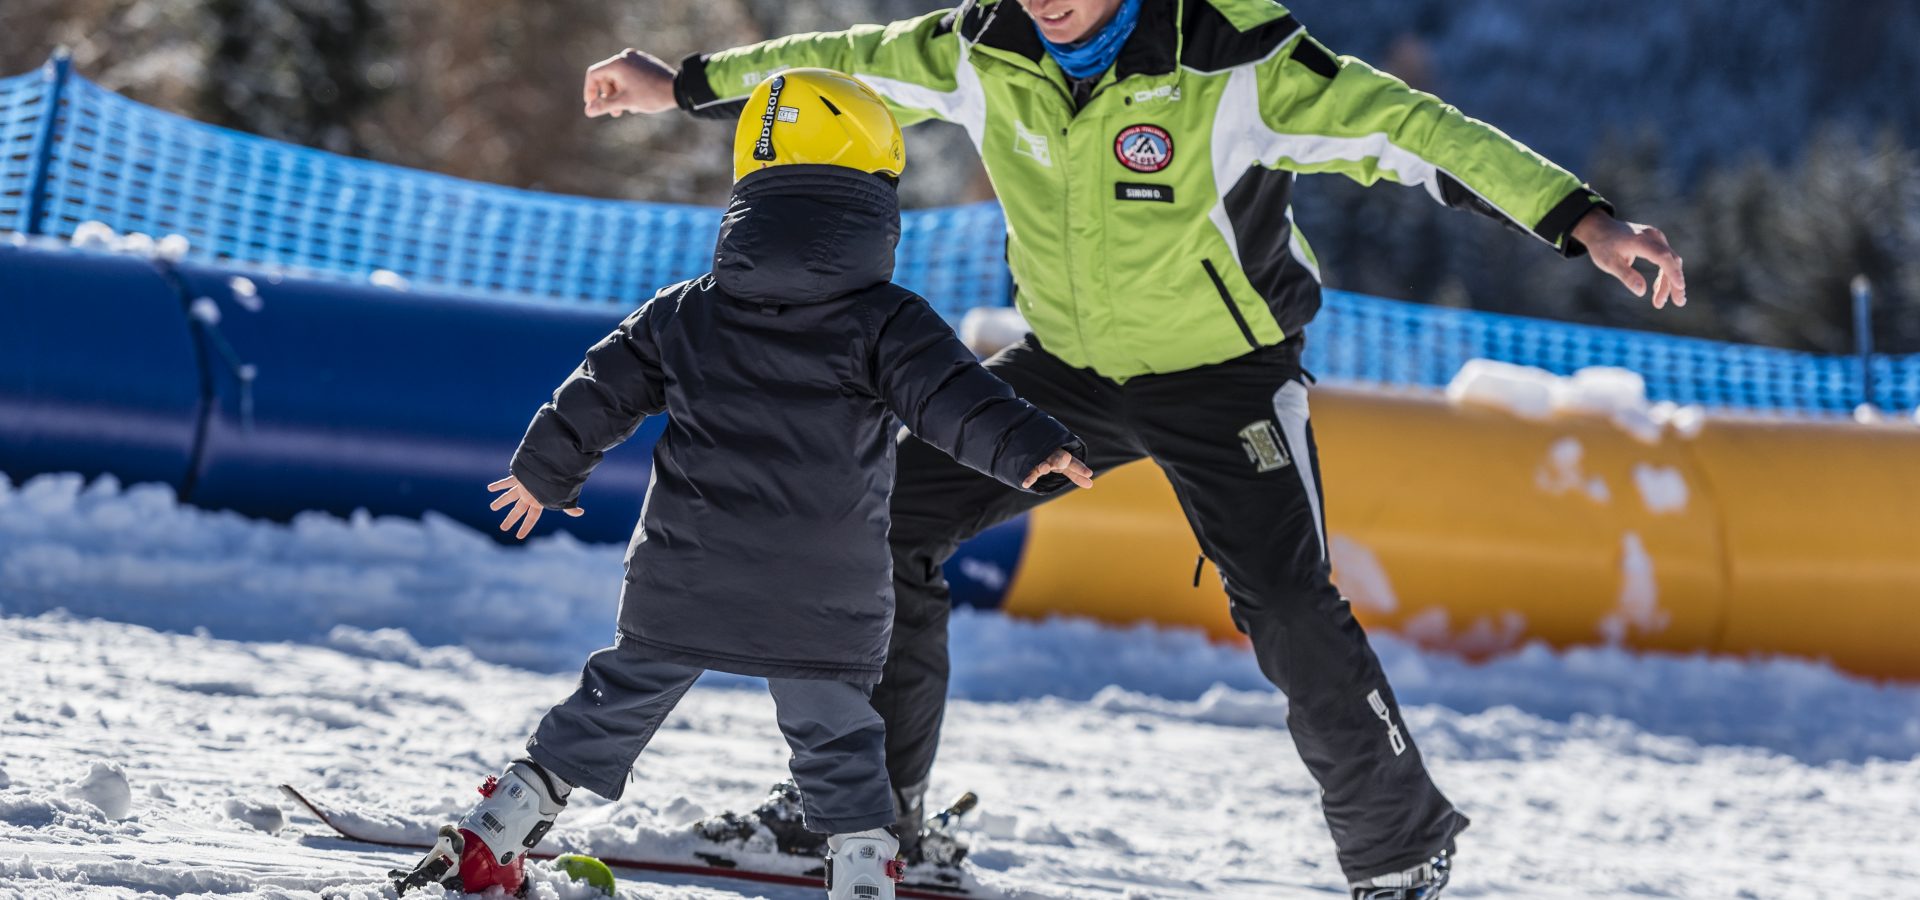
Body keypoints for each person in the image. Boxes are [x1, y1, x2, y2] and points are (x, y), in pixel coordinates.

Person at [581, 1, 1688, 897]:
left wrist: (1584, 221)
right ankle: (872, 818)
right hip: (1066, 369)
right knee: (881, 525)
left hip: (1225, 377)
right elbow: (842, 58)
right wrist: (681, 84)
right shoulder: (984, 47)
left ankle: (1399, 850)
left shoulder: (1237, 61)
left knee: (1290, 604)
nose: (1049, 2)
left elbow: (1415, 132)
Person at [393, 68, 1093, 900]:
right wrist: (1030, 449)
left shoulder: (687, 310)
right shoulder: (888, 320)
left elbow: (600, 387)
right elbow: (955, 398)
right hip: (822, 591)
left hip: (686, 575)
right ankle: (863, 876)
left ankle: (493, 833)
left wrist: (545, 471)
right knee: (838, 742)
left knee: (612, 704)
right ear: (874, 192)